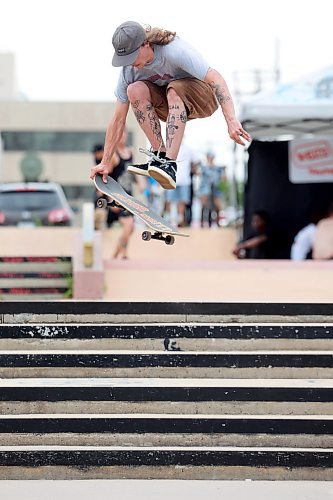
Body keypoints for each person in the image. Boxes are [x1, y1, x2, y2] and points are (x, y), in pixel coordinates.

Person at [90, 21, 250, 190]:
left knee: (174, 90)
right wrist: (105, 162)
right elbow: (118, 120)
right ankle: (160, 156)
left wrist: (231, 120)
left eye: (132, 57)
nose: (130, 64)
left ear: (145, 44)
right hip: (170, 107)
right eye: (125, 59)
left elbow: (216, 79)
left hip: (204, 99)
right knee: (134, 90)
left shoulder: (174, 51)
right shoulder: (128, 72)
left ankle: (169, 164)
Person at [164, 140, 200, 227]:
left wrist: (195, 171)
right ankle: (169, 218)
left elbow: (195, 161)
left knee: (182, 201)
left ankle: (180, 219)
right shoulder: (168, 147)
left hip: (184, 179)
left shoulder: (188, 149)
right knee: (169, 200)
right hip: (170, 178)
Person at [199, 151, 226, 227]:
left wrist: (224, 171)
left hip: (216, 188)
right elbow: (199, 173)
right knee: (204, 205)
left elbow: (223, 179)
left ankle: (217, 222)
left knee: (217, 205)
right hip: (205, 188)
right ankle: (203, 222)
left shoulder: (218, 168)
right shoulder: (203, 167)